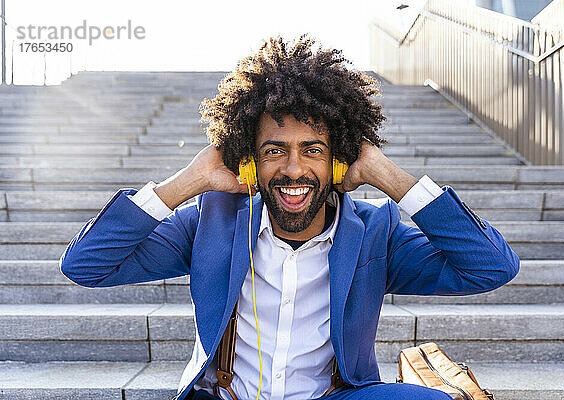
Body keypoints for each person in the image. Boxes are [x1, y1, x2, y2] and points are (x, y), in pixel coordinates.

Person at [60, 35, 520, 400]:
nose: (295, 168)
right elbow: (86, 265)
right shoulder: (212, 223)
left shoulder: (375, 233)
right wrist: (187, 182)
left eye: (313, 150)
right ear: (249, 162)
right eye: (274, 150)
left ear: (338, 160)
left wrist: (389, 176)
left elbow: (490, 267)